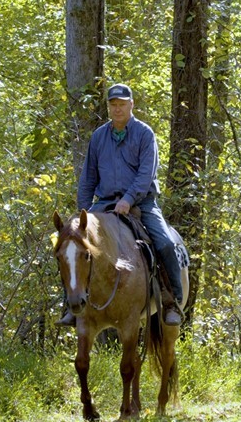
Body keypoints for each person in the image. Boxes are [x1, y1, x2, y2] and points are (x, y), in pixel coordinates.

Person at [59, 83, 184, 326]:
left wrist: (128, 199)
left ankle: (172, 302)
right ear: (108, 107)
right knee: (70, 246)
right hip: (104, 204)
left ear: (131, 105)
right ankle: (70, 303)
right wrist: (81, 215)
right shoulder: (98, 137)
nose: (117, 109)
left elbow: (146, 174)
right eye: (113, 105)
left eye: (122, 104)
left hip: (142, 203)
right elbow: (88, 178)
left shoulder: (145, 134)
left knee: (165, 244)